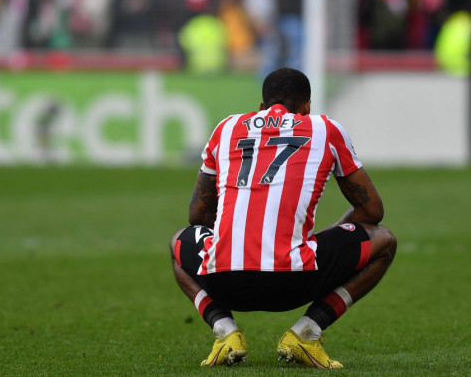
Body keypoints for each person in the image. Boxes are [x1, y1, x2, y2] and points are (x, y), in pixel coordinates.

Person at [169, 67, 396, 368]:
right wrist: (327, 234)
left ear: (261, 106)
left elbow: (198, 215)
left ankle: (225, 330)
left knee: (178, 241)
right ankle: (307, 332)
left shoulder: (226, 128)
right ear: (307, 106)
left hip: (224, 282)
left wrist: (235, 239)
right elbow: (373, 212)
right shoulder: (325, 129)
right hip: (295, 281)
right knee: (384, 240)